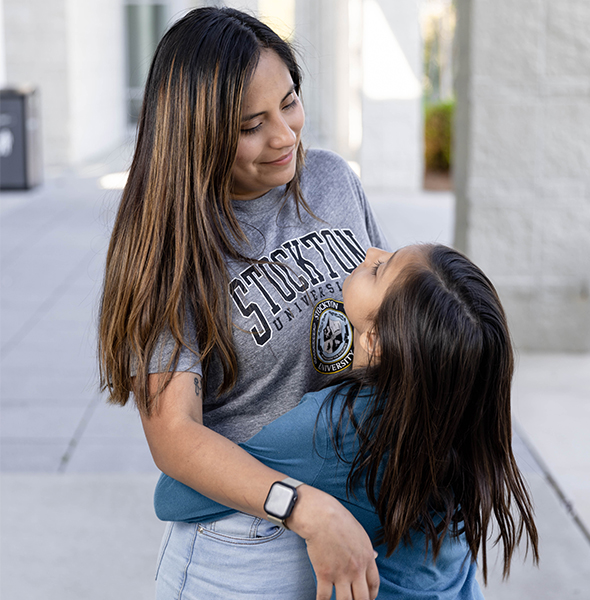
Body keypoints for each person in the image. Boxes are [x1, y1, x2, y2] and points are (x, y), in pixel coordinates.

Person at [98, 6, 386, 600]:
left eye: (289, 102)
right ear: (194, 133)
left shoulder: (332, 180)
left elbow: (398, 312)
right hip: (245, 545)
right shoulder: (171, 246)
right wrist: (304, 508)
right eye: (251, 125)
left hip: (359, 517)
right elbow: (174, 434)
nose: (284, 135)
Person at [152, 244, 540, 599]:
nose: (370, 251)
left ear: (376, 341)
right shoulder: (460, 411)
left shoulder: (337, 428)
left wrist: (302, 504)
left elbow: (174, 493)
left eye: (379, 269)